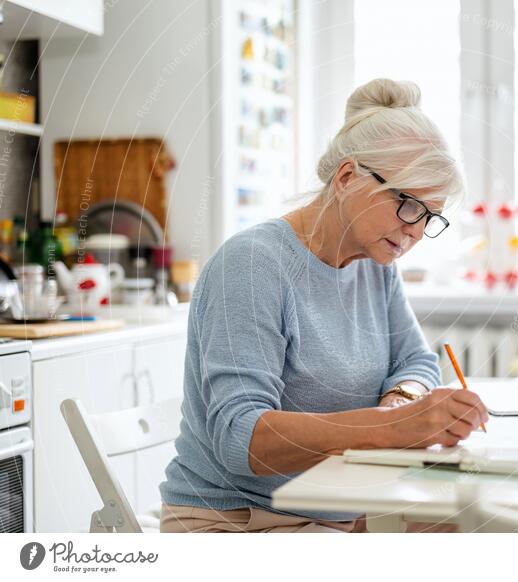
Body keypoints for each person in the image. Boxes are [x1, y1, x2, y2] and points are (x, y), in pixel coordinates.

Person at [159, 78, 489, 533]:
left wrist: (402, 399)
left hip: (337, 510)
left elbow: (414, 359)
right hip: (241, 522)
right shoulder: (253, 264)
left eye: (430, 216)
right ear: (347, 177)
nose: (415, 230)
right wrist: (396, 428)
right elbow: (241, 437)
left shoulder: (375, 262)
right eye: (409, 204)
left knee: (465, 528)